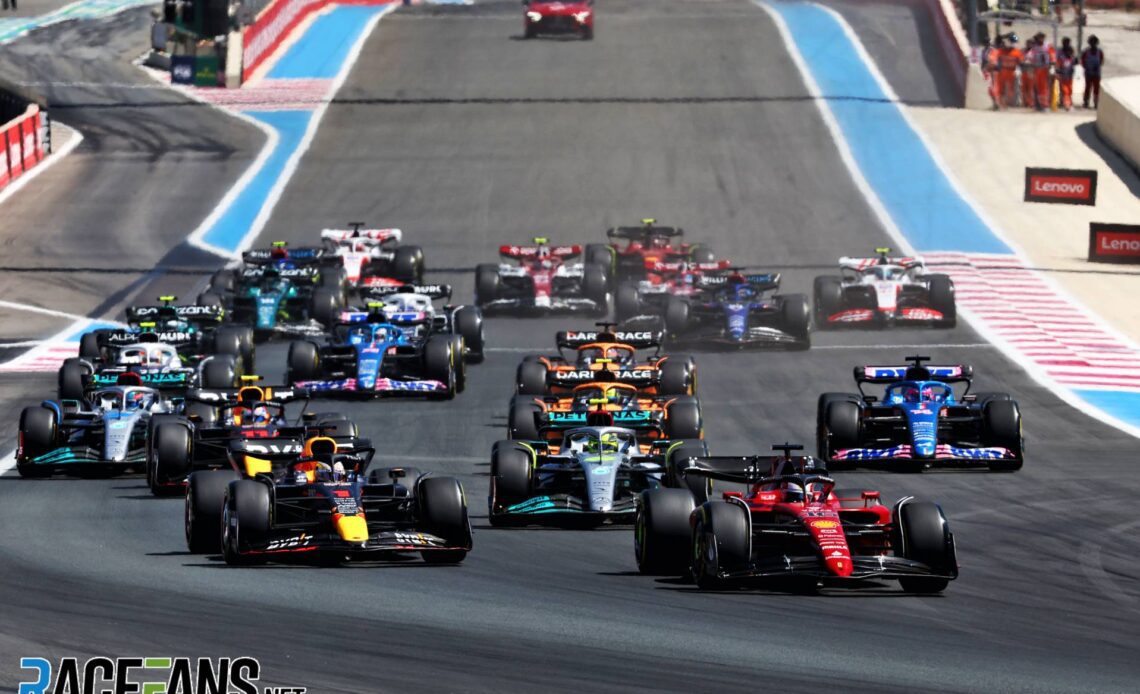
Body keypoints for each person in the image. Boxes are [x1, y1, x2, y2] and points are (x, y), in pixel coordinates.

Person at [1028, 32, 1054, 111]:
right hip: (1037, 69)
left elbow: (1052, 56)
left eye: (1041, 37)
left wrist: (1052, 66)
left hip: (1045, 69)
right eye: (1038, 38)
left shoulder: (1047, 46)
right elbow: (1031, 57)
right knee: (1036, 88)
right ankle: (1037, 105)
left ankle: (1045, 105)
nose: (1040, 39)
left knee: (1044, 88)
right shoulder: (1035, 47)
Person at [996, 34, 1023, 109]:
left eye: (1014, 42)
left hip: (1012, 71)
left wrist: (1018, 69)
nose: (1014, 44)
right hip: (1002, 71)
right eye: (1012, 42)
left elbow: (1021, 62)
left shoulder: (1017, 52)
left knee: (1011, 89)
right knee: (1001, 88)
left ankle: (1010, 104)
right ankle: (1001, 104)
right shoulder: (1001, 51)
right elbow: (997, 60)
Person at [1081, 35, 1105, 109]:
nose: (1093, 44)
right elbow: (1082, 61)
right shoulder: (1086, 52)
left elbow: (1101, 61)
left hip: (1096, 74)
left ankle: (1096, 102)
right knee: (1087, 88)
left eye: (1094, 42)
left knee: (1096, 89)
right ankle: (1086, 101)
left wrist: (1096, 67)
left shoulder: (1099, 52)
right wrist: (1087, 68)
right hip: (1088, 73)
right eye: (1091, 42)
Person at [1055, 38, 1077, 111]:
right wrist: (1058, 72)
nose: (1069, 53)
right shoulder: (1061, 57)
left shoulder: (1072, 59)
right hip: (1063, 76)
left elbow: (1074, 65)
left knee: (1069, 90)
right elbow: (1058, 65)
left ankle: (1068, 102)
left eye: (1070, 52)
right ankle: (1066, 104)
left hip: (1069, 77)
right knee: (1065, 91)